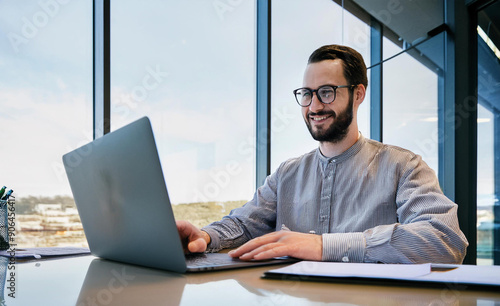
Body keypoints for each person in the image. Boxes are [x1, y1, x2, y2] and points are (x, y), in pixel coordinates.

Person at [176, 44, 468, 264]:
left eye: (326, 92)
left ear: (358, 94)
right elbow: (243, 224)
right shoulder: (286, 174)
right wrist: (204, 236)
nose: (314, 106)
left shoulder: (404, 166)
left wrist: (324, 246)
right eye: (307, 93)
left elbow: (444, 240)